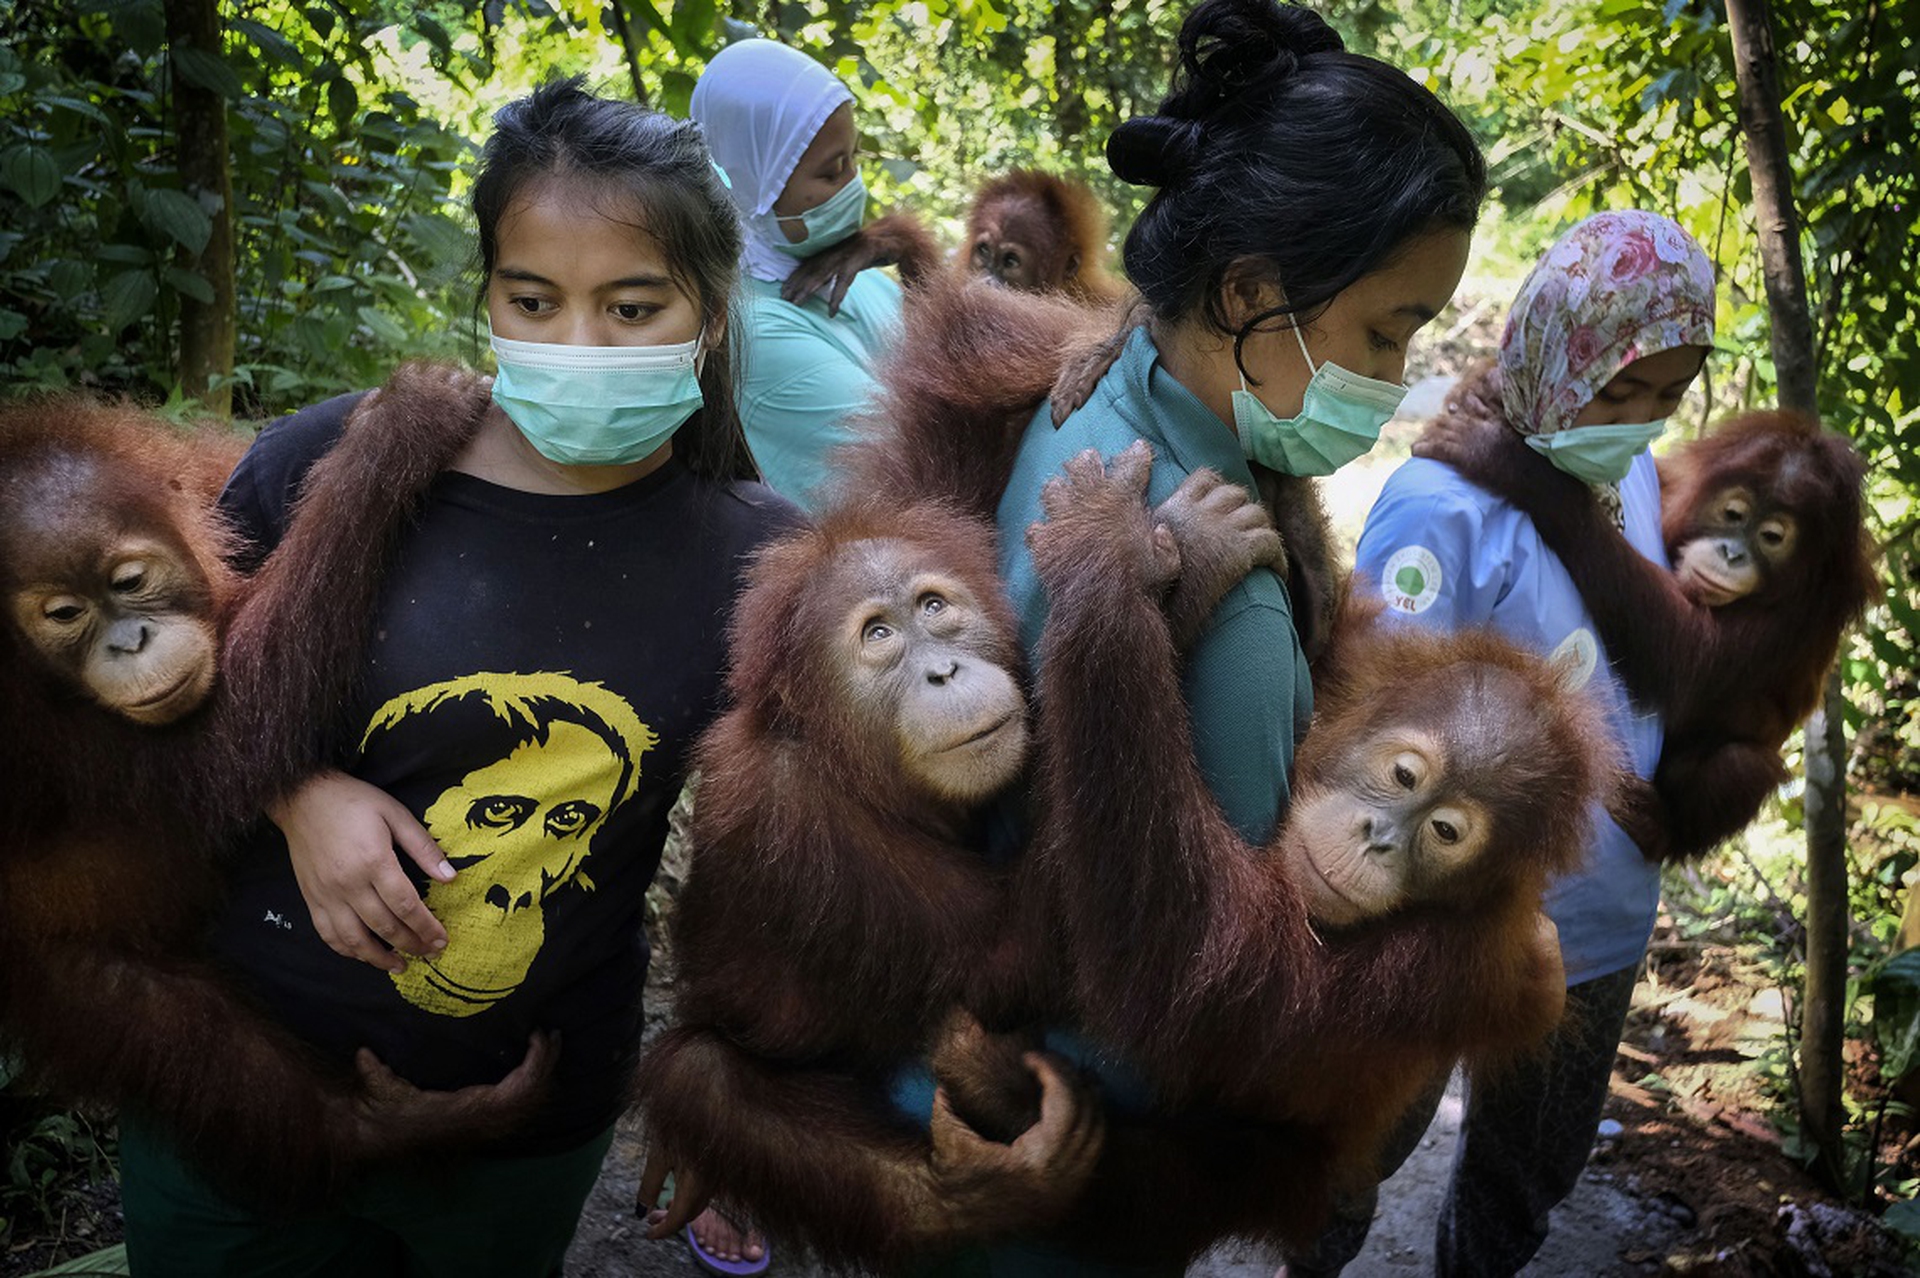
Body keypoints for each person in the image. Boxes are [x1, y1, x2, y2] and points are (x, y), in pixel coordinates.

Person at [114, 81, 803, 1277]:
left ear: (709, 309)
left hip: (524, 1125)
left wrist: (736, 1090)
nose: (576, 345)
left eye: (632, 306)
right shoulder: (327, 463)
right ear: (485, 291)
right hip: (235, 1096)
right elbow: (129, 701)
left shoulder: (755, 557)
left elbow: (785, 868)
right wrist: (295, 791)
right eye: (532, 300)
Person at [959, 0, 1487, 1273]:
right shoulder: (1226, 600)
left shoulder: (1085, 401)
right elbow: (1210, 982)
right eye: (1389, 330)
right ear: (1250, 292)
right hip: (1081, 1133)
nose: (1403, 371)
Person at [1285, 208, 1717, 1277]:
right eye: (1620, 390)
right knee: (1352, 1158)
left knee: (1526, 1177)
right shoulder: (1442, 509)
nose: (1640, 419)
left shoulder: (1635, 478)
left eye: (1665, 395)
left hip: (1600, 920)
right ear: (1554, 351)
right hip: (1444, 922)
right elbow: (1380, 712)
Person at [691, 37, 935, 513]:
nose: (854, 185)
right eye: (831, 172)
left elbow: (958, 363)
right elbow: (924, 474)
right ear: (753, 182)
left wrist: (910, 252)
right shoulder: (756, 330)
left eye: (854, 159)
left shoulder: (850, 269)